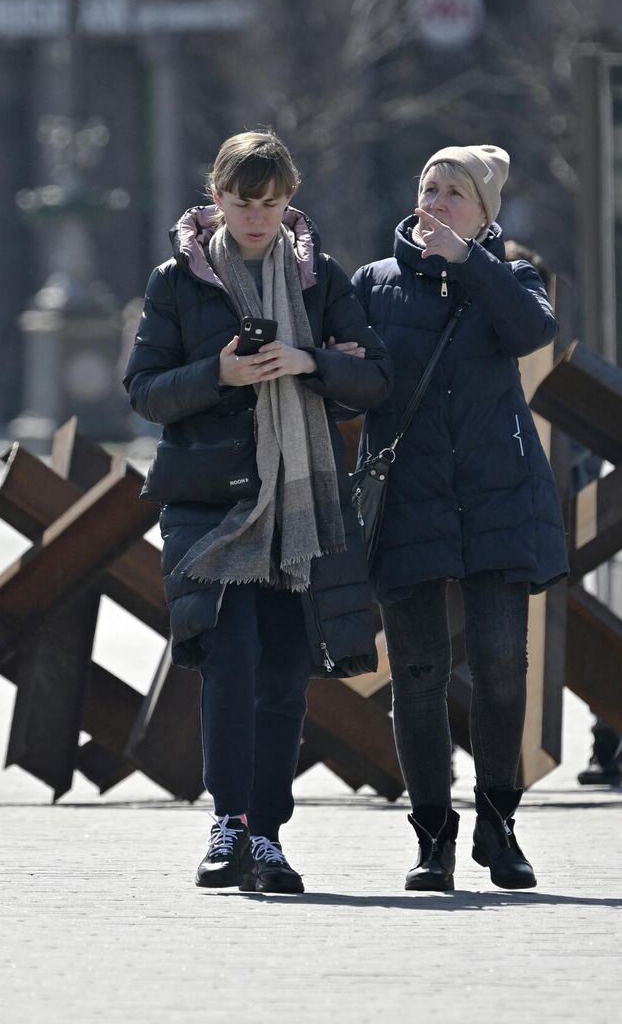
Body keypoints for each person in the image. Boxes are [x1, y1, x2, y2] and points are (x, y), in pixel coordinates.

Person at [124, 131, 392, 894]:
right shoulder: (178, 280)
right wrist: (220, 372)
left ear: (288, 200)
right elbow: (144, 390)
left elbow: (375, 379)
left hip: (301, 501)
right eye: (243, 202)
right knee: (228, 656)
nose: (256, 218)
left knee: (283, 669)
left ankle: (268, 837)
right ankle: (228, 824)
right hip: (211, 502)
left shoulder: (318, 278)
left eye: (271, 203)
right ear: (216, 196)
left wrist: (311, 362)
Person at [352, 144, 568, 891]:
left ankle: (498, 825)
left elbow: (532, 332)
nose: (436, 203)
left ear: (484, 213)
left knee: (504, 668)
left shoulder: (509, 279)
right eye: (428, 188)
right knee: (417, 674)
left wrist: (468, 264)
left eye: (454, 193)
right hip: (410, 500)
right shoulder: (374, 284)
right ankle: (432, 837)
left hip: (496, 498)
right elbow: (354, 384)